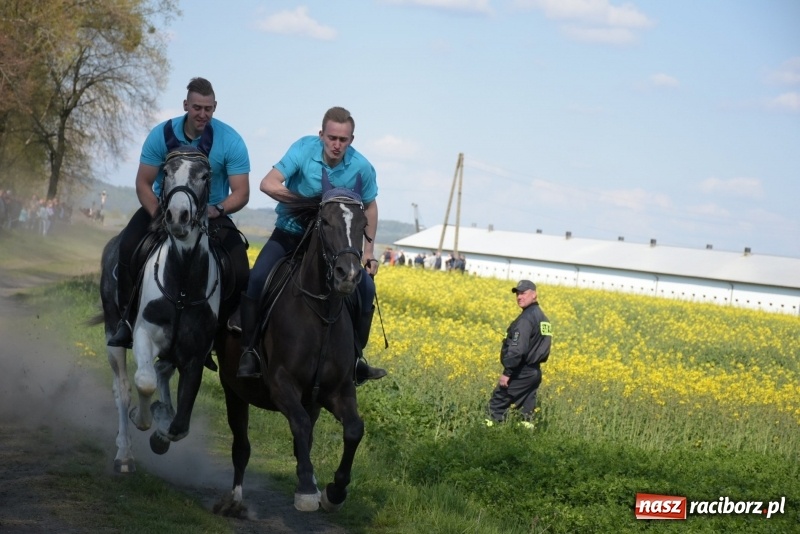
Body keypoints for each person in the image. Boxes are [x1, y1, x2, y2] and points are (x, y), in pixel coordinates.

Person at [234, 106, 386, 384]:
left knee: (365, 288)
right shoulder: (303, 150)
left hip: (333, 247)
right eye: (332, 138)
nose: (337, 144)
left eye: (343, 139)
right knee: (256, 279)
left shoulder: (362, 167)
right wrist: (306, 204)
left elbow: (371, 207)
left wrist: (368, 252)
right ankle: (250, 350)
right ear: (321, 135)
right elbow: (268, 184)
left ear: (352, 139)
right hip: (290, 235)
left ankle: (356, 360)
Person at [107, 77, 251, 348]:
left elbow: (241, 192)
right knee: (127, 246)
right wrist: (157, 213)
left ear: (215, 107)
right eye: (197, 107)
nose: (202, 114)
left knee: (241, 266)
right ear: (186, 104)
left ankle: (218, 329)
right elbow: (143, 183)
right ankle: (127, 320)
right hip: (163, 208)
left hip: (211, 214)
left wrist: (217, 209)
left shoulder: (230, 141)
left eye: (208, 108)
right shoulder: (161, 135)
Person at [487, 280, 552, 426]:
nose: (519, 297)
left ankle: (487, 438)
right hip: (534, 372)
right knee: (527, 410)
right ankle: (525, 440)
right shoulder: (543, 318)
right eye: (517, 294)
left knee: (497, 403)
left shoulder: (526, 319)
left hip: (521, 370)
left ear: (534, 295)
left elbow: (518, 349)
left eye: (523, 293)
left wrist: (508, 371)